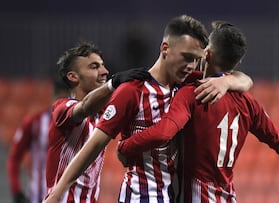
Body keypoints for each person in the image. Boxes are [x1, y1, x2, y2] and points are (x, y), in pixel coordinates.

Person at [117, 21, 279, 202]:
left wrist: (126, 146)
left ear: (207, 54)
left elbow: (164, 132)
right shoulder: (248, 103)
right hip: (227, 195)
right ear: (239, 61)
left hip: (196, 195)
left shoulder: (193, 93)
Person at [43, 15, 253, 203]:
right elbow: (94, 145)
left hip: (173, 195)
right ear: (165, 48)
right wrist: (58, 192)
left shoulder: (187, 84)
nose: (191, 66)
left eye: (196, 60)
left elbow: (243, 79)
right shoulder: (133, 90)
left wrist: (225, 83)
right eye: (187, 57)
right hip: (142, 195)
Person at [45, 40, 152, 203]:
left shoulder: (104, 114)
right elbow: (85, 107)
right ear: (73, 76)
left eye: (103, 65)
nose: (104, 71)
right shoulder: (61, 109)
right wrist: (114, 83)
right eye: (94, 67)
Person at [6, 78, 69, 203]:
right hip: (38, 197)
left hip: (69, 197)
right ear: (54, 96)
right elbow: (14, 158)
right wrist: (16, 190)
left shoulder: (81, 125)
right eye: (60, 99)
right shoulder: (34, 122)